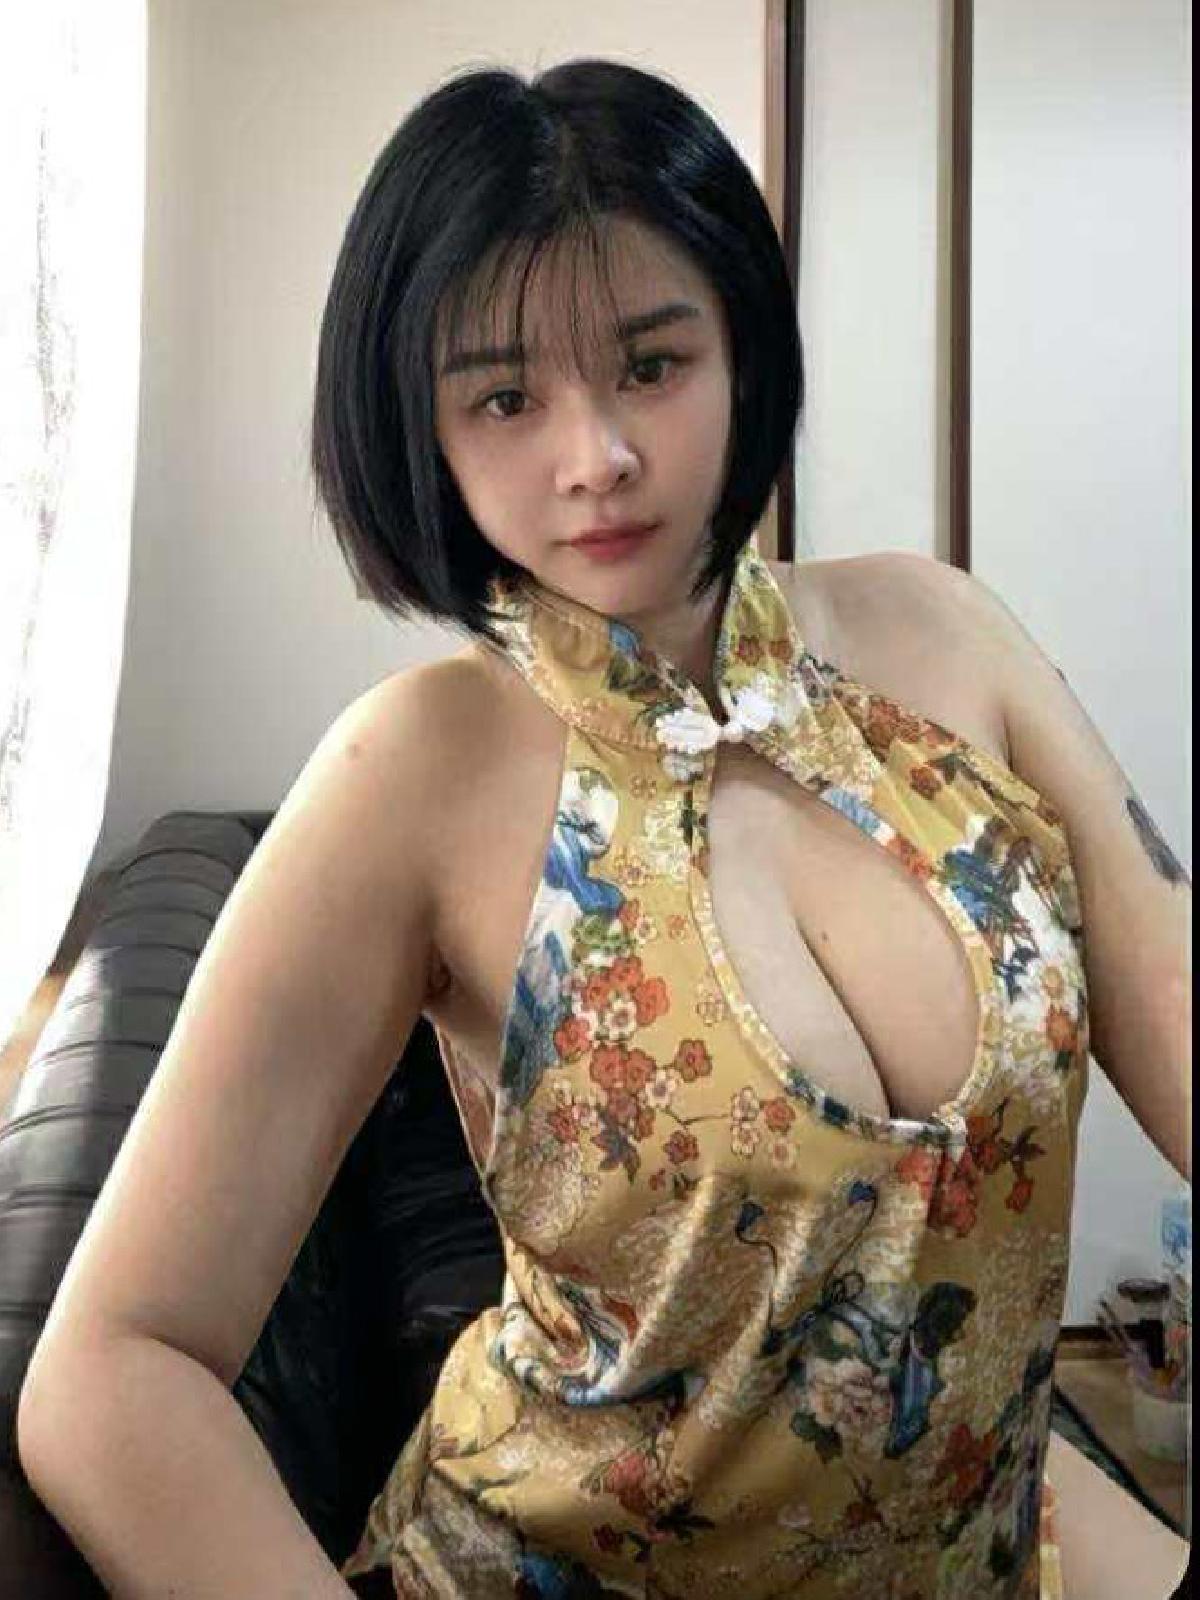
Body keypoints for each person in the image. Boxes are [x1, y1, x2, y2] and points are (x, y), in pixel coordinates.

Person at [17, 58, 1189, 1600]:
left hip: (989, 1526)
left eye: (651, 363)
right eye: (507, 397)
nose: (598, 456)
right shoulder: (414, 769)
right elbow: (110, 1370)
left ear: (740, 351)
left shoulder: (947, 633)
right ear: (422, 426)